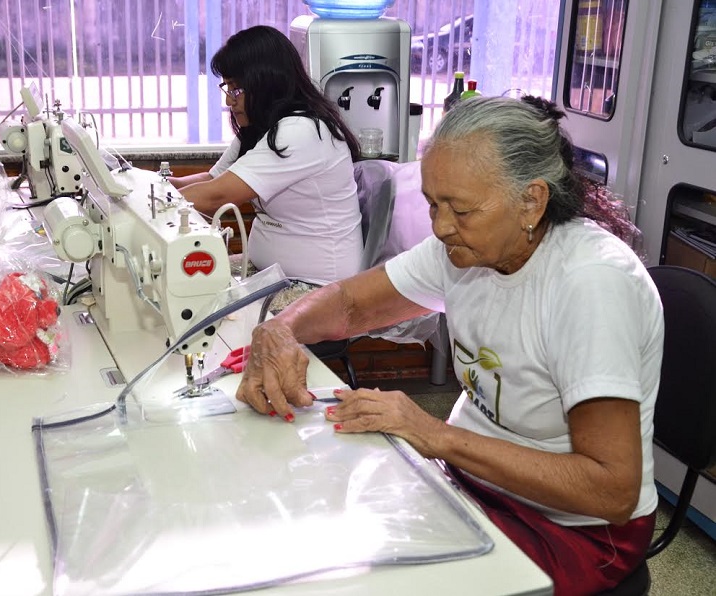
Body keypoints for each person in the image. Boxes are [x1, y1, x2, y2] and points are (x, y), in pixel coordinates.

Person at [235, 95, 664, 595]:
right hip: (472, 480)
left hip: (574, 528)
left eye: (460, 209)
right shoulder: (468, 247)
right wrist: (281, 330)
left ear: (532, 200)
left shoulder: (590, 284)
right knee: (315, 528)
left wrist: (434, 435)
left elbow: (610, 489)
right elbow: (351, 304)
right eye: (434, 204)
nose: (440, 227)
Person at [170, 25, 364, 284]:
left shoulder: (301, 131)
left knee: (194, 295)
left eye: (236, 89)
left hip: (318, 286)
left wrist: (158, 206)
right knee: (185, 282)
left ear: (265, 83)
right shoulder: (261, 129)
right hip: (269, 272)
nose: (229, 101)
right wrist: (149, 187)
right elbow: (211, 179)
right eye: (227, 87)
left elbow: (218, 194)